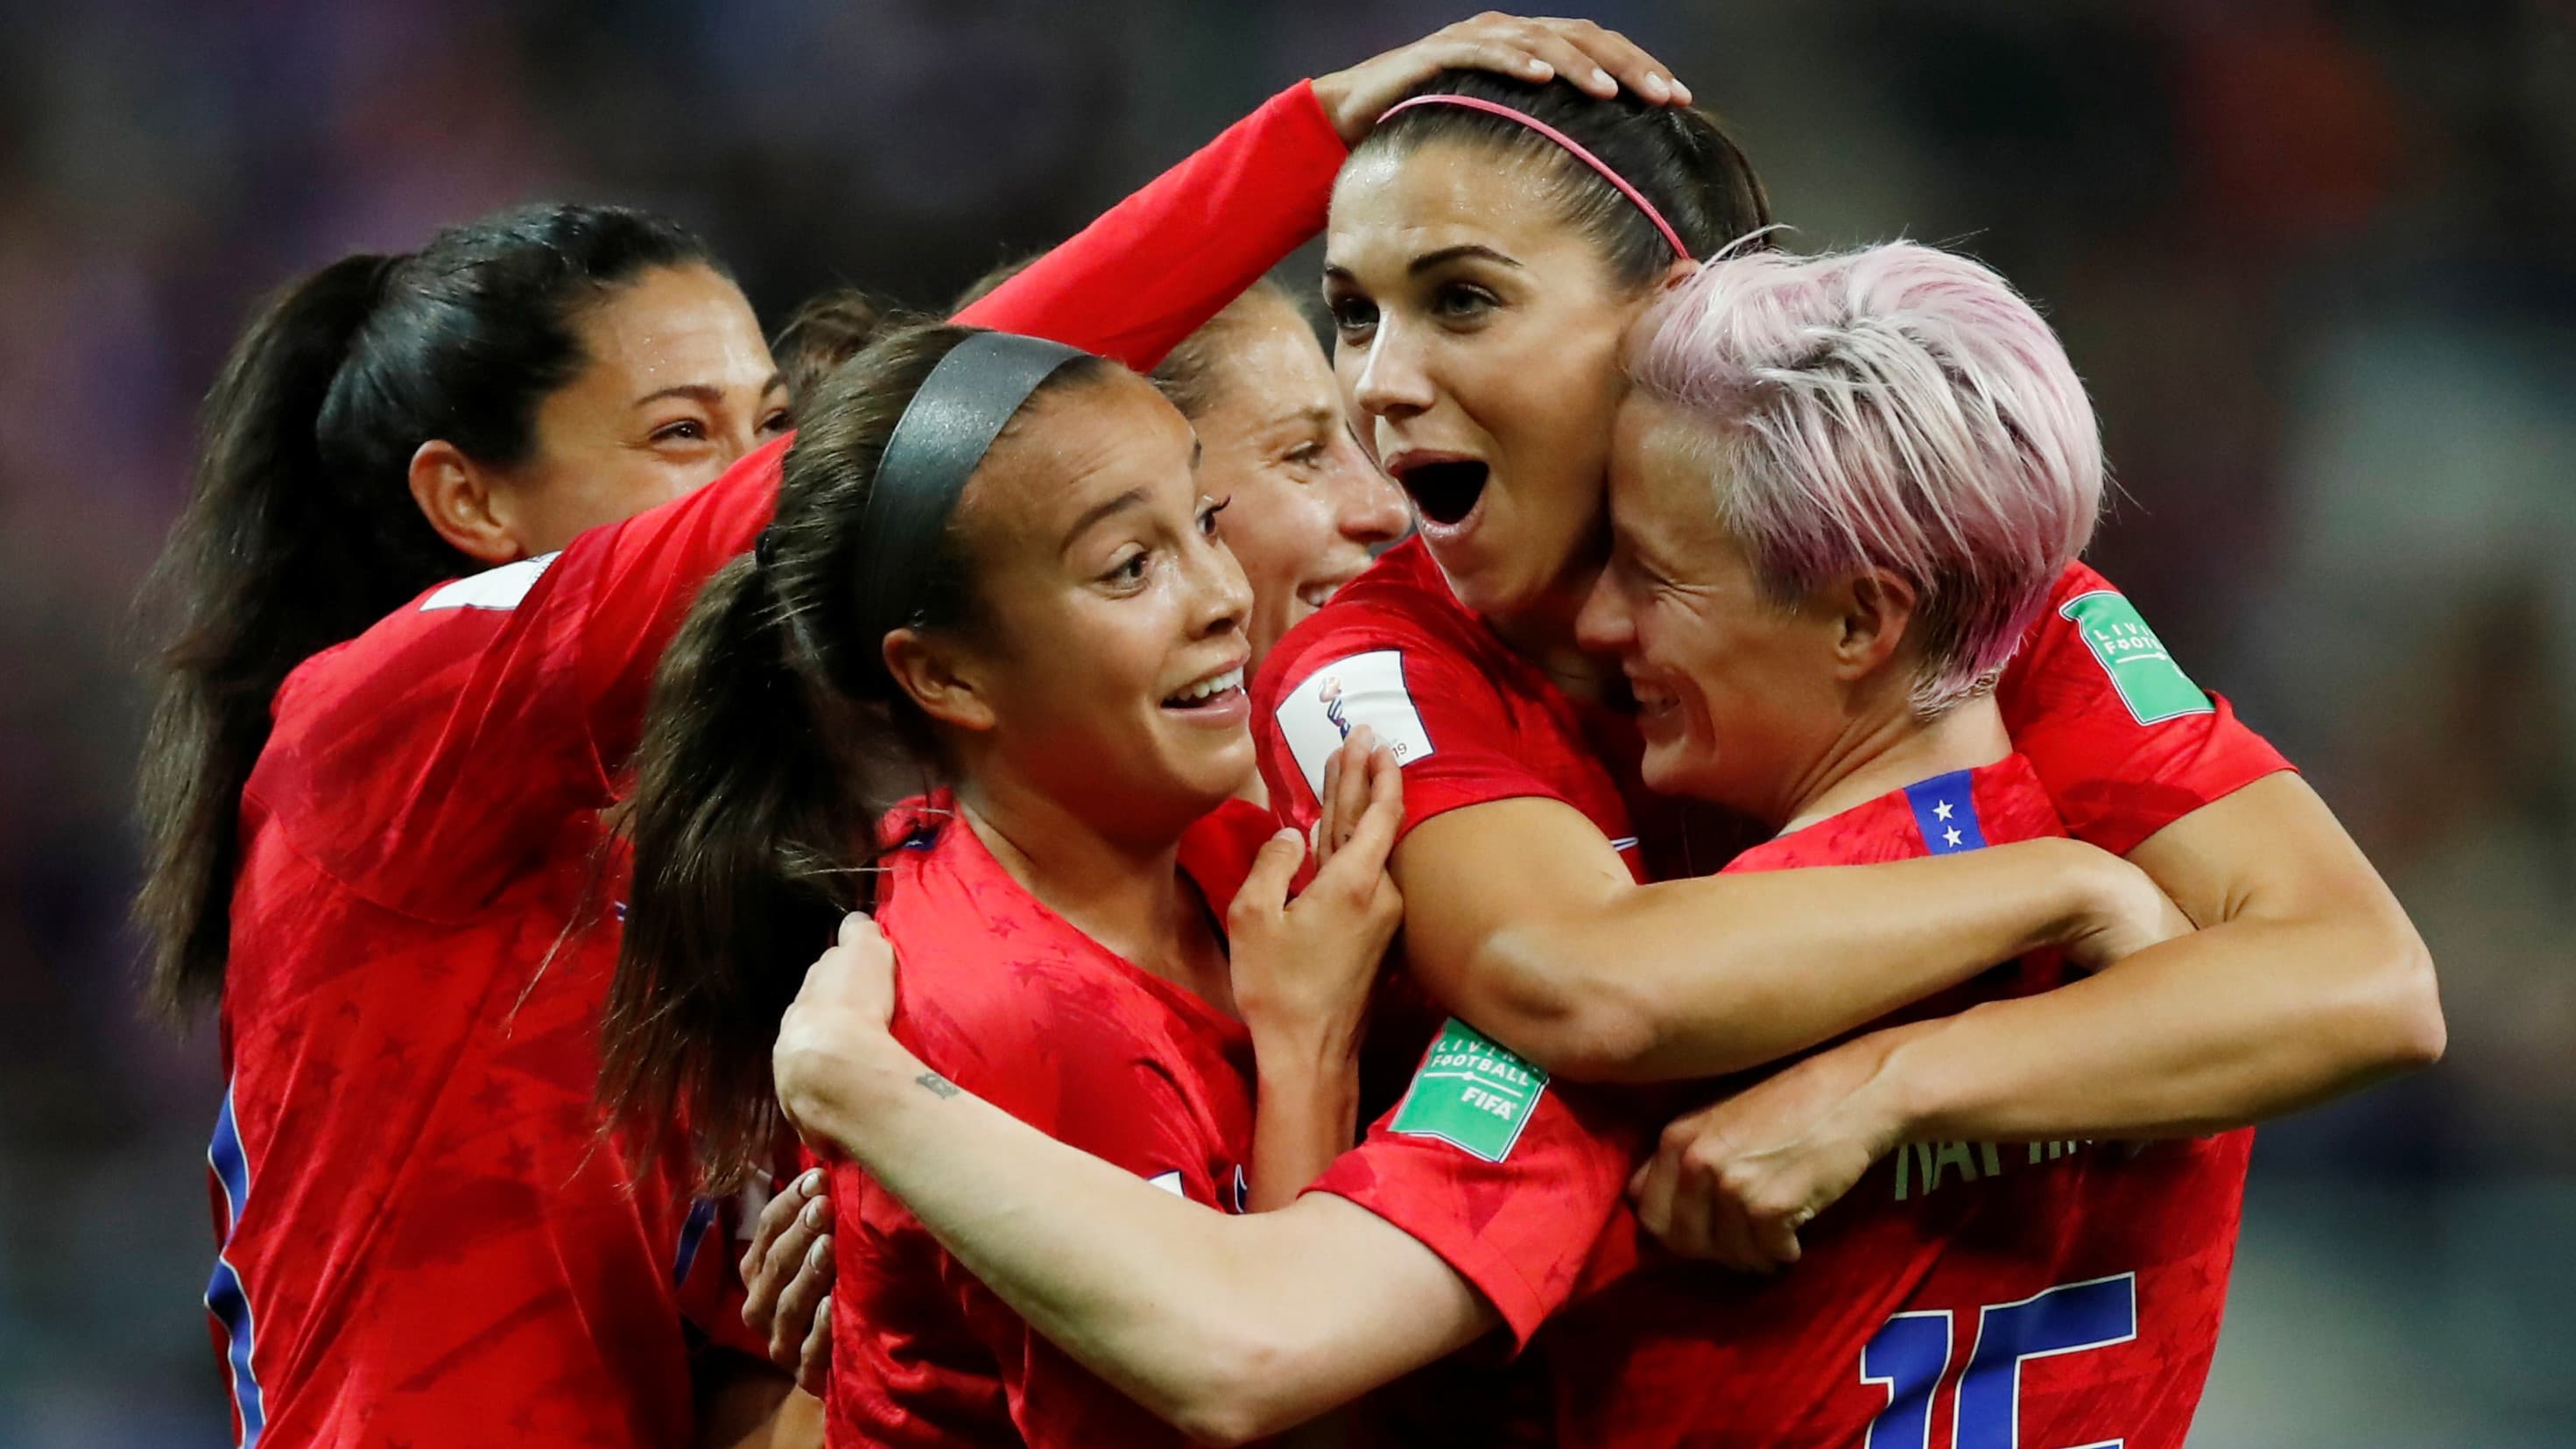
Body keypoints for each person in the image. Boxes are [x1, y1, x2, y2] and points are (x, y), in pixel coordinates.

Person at [758, 121, 2439, 1448]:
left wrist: (899, 1117)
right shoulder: (2031, 754)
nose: (1377, 389)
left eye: (1462, 299)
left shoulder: (1710, 939)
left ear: (1667, 311)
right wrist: (2060, 892)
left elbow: (1269, 1329)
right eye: (1350, 316)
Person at [137, 19, 1689, 1446]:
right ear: (469, 502)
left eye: (765, 425)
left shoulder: (755, 872)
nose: (762, 474)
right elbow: (1245, 1367)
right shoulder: (380, 723)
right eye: (684, 436)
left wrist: (867, 1293)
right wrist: (1297, 145)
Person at [599, 322, 1404, 1447]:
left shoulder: (1216, 838)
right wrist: (1309, 1048)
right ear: (944, 673)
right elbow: (1280, 1408)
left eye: (1202, 522)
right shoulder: (1014, 1017)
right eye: (1130, 566)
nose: (1221, 594)